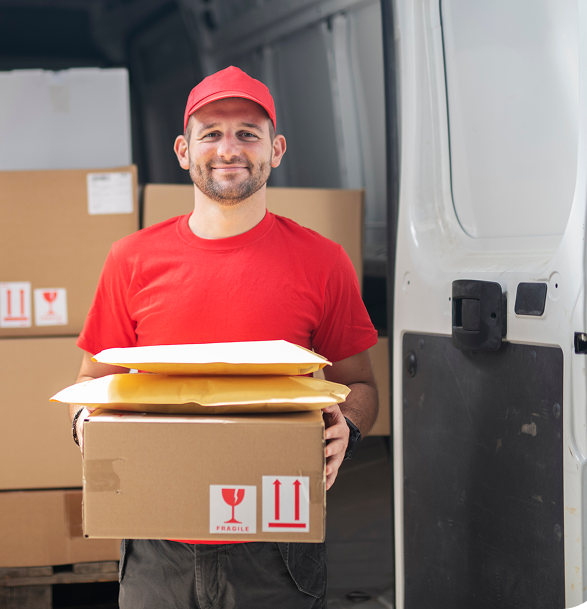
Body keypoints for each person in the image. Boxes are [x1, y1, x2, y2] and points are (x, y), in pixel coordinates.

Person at [69, 66, 379, 609]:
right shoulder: (132, 259)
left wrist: (346, 428)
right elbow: (93, 382)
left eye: (247, 133)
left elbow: (361, 386)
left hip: (276, 544)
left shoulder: (322, 261)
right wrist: (86, 424)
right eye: (210, 133)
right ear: (183, 151)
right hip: (156, 540)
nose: (228, 148)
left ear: (275, 149)